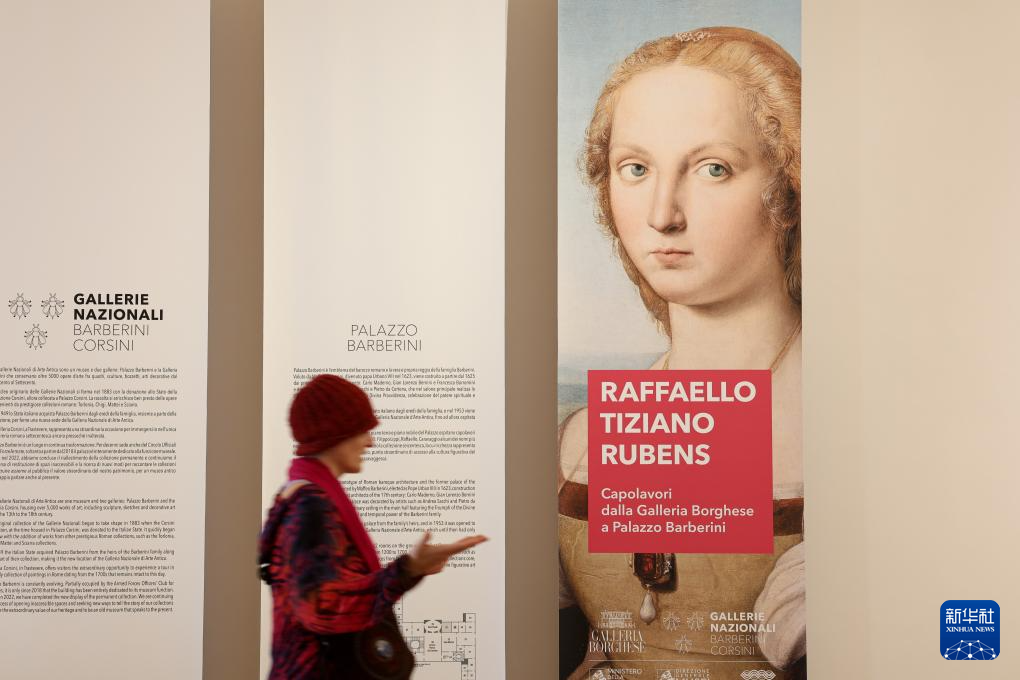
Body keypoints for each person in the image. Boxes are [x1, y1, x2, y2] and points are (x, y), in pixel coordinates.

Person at [558, 27, 805, 679]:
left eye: (712, 168)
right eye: (635, 169)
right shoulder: (579, 442)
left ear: (787, 187)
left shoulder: (851, 425)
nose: (662, 215)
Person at [261, 374, 487, 679]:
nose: (371, 442)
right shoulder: (311, 505)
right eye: (363, 430)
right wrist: (406, 570)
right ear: (335, 433)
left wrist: (409, 571)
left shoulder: (300, 496)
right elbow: (323, 607)